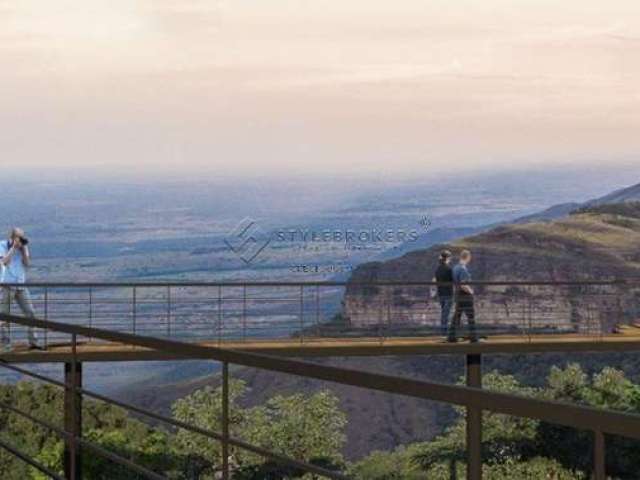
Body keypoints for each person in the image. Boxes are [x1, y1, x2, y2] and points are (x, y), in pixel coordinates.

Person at [0, 228, 40, 351]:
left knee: (30, 313)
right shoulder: (2, 245)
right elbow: (3, 262)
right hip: (7, 285)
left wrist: (24, 250)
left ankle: (33, 341)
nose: (20, 240)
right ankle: (6, 344)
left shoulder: (22, 247)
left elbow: (27, 264)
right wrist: (13, 248)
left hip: (20, 285)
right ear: (12, 237)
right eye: (18, 237)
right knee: (4, 316)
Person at [447, 249, 478, 343]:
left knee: (457, 315)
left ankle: (451, 336)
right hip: (465, 295)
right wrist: (471, 291)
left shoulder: (455, 268)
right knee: (471, 316)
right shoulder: (463, 269)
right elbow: (463, 284)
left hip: (458, 294)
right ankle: (473, 337)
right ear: (468, 257)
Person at [433, 250, 454, 337]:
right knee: (446, 314)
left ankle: (443, 332)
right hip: (448, 293)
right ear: (448, 258)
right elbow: (453, 280)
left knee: (444, 313)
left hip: (441, 293)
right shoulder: (449, 269)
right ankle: (445, 333)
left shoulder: (438, 269)